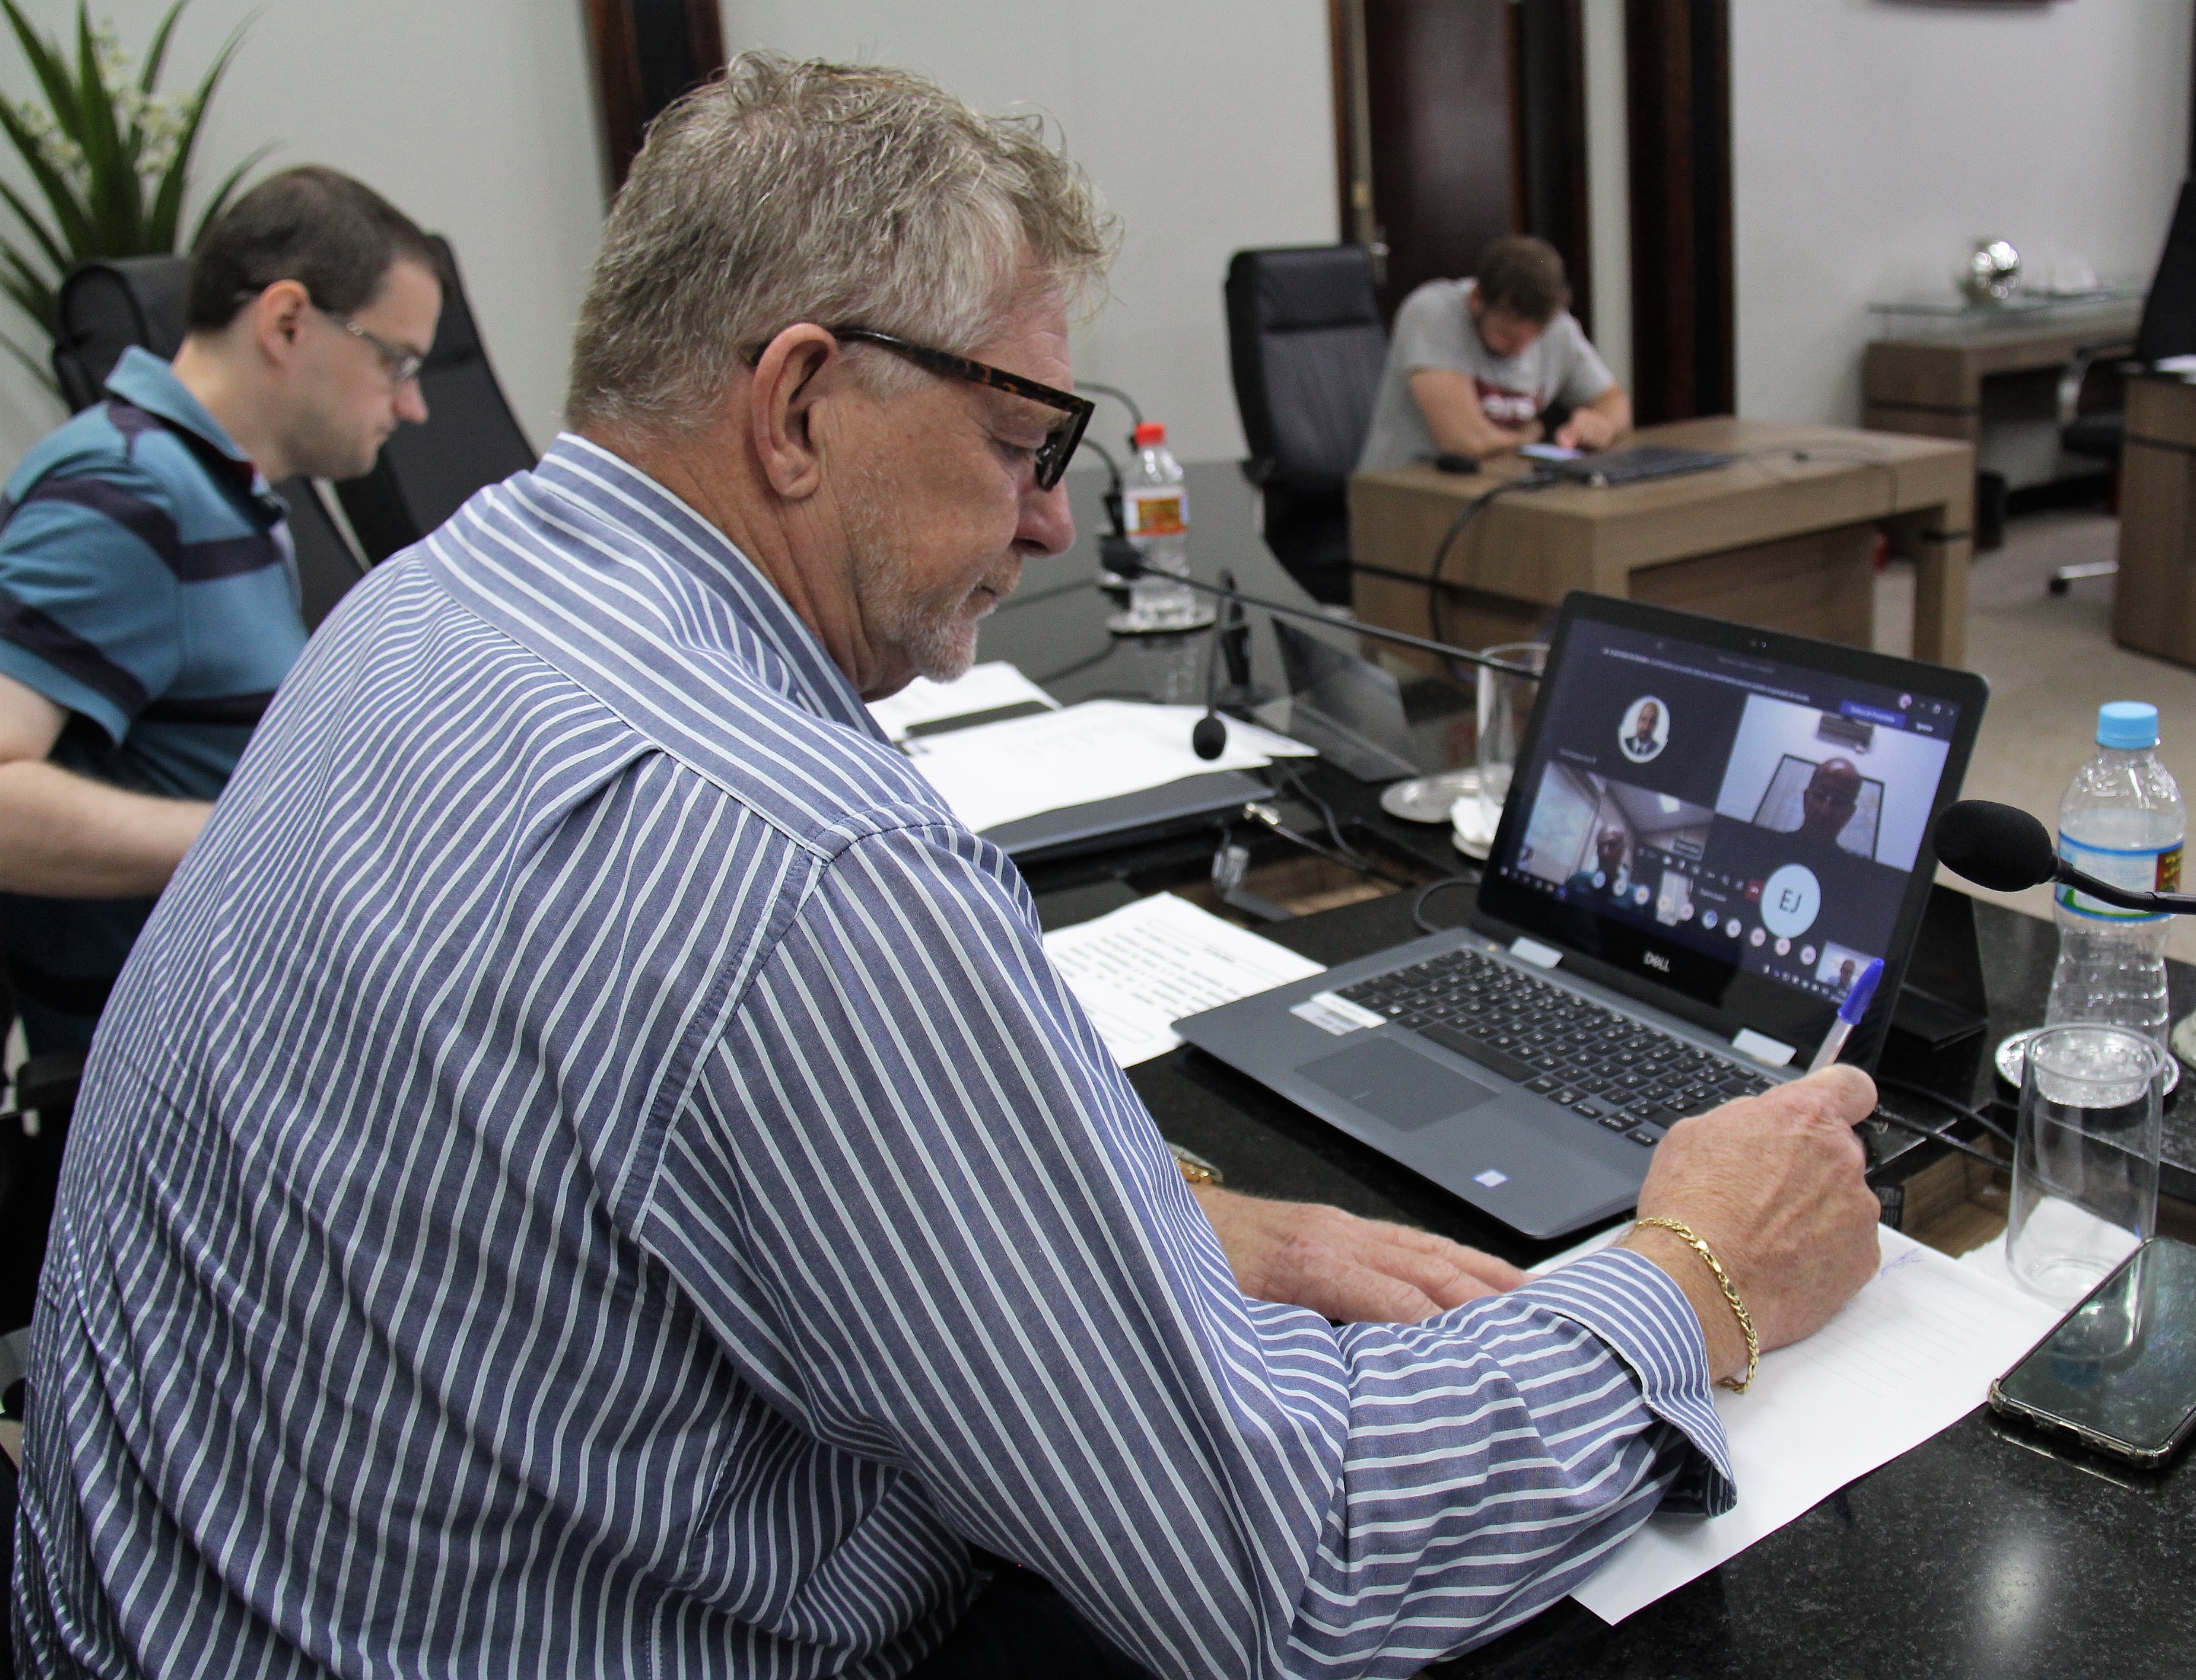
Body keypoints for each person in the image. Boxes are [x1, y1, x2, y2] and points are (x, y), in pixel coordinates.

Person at [12, 58, 1881, 1678]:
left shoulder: (427, 603)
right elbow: (1291, 1568)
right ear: (799, 406)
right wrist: (1696, 1272)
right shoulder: (804, 864)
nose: (1055, 519)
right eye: (1018, 440)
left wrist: (1129, 1226)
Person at [0, 166, 439, 1053]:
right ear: (287, 322)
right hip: (176, 1063)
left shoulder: (219, 491)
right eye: (394, 361)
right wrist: (263, 836)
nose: (413, 405)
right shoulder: (124, 493)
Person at [1355, 234, 1632, 472]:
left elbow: (1614, 402)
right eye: (1507, 336)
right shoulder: (1434, 313)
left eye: (1533, 338)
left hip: (1499, 485)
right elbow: (1464, 442)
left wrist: (1601, 425)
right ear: (1478, 300)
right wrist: (1528, 436)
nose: (1520, 349)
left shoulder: (1557, 328)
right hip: (1405, 490)